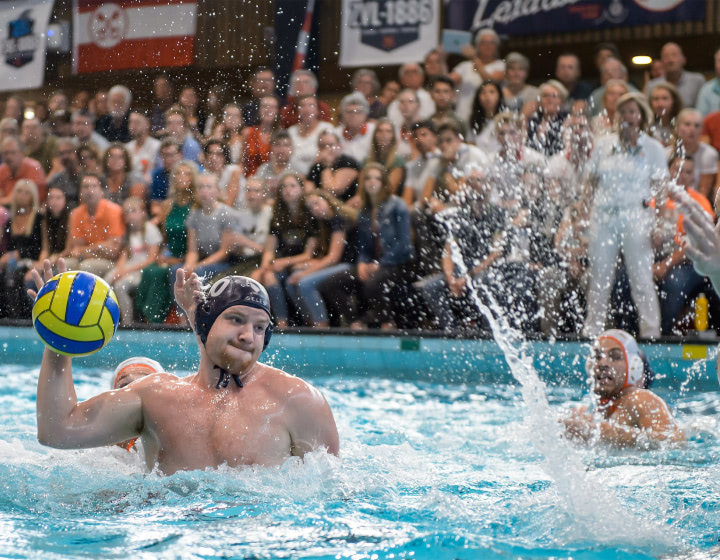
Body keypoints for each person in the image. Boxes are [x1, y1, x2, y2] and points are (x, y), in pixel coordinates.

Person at [32, 259, 339, 474]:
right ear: (206, 322)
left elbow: (333, 494)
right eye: (236, 320)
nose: (249, 336)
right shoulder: (156, 397)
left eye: (260, 328)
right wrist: (59, 341)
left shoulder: (297, 401)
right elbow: (58, 431)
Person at [583, 93, 666, 339]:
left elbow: (660, 191)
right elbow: (590, 183)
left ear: (641, 116)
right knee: (599, 277)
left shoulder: (653, 148)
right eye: (623, 112)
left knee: (641, 277)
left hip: (637, 217)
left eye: (632, 112)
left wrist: (659, 224)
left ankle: (651, 334)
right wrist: (583, 217)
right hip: (603, 217)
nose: (627, 117)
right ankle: (592, 332)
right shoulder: (603, 144)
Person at [562, 329, 684, 448]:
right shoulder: (590, 410)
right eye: (597, 356)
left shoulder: (640, 399)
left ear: (634, 367)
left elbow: (674, 440)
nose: (602, 364)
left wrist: (604, 432)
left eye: (615, 357)